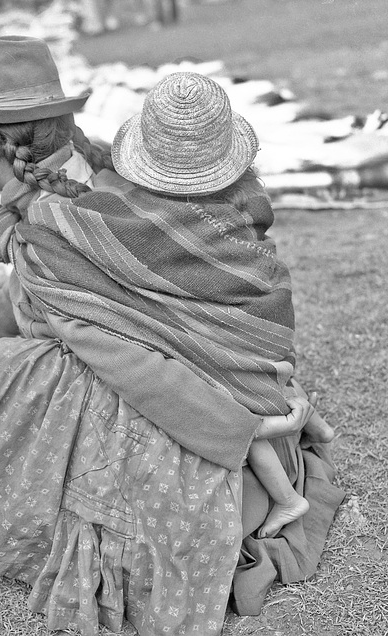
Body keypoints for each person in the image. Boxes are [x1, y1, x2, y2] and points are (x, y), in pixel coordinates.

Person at [0, 36, 343, 635]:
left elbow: (130, 363)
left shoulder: (48, 232)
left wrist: (236, 427)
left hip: (205, 431)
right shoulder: (104, 174)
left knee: (3, 376)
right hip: (252, 422)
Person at [109, 70, 334, 540]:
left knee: (235, 407)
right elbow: (255, 255)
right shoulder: (246, 193)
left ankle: (288, 500)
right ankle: (317, 424)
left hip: (236, 337)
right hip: (264, 323)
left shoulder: (154, 218)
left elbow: (179, 285)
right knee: (266, 374)